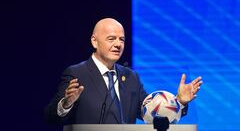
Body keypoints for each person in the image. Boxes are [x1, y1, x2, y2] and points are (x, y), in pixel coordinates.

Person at [45, 18, 203, 125]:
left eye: (122, 39)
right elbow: (50, 117)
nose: (118, 44)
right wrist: (66, 104)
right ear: (94, 41)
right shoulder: (77, 73)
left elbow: (150, 113)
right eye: (111, 38)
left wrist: (179, 102)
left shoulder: (130, 76)